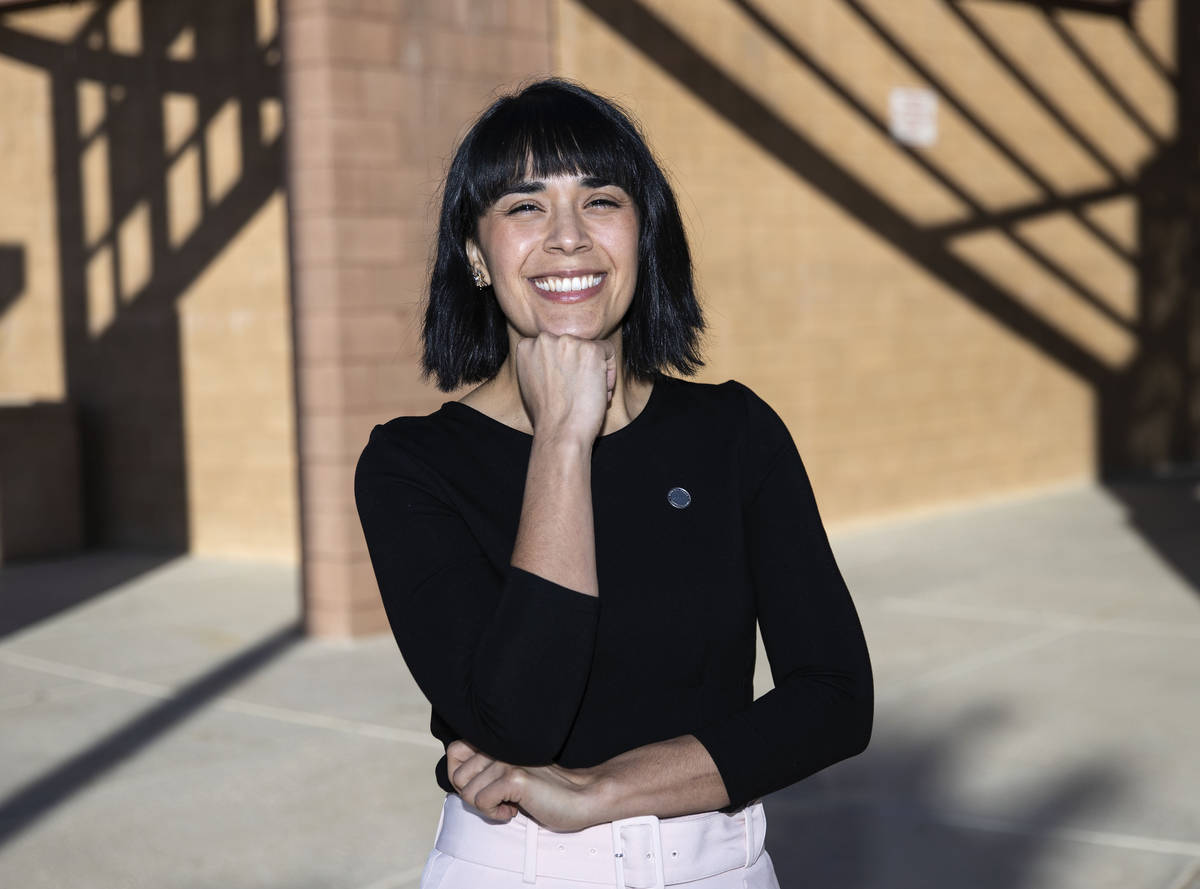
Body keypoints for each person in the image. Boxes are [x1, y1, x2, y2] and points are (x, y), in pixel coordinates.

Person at [354, 78, 872, 889]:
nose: (567, 237)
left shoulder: (734, 433)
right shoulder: (413, 466)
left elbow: (836, 698)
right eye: (525, 207)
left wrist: (602, 790)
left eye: (600, 200)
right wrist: (565, 436)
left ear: (643, 235)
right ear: (475, 255)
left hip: (722, 871)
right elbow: (519, 721)